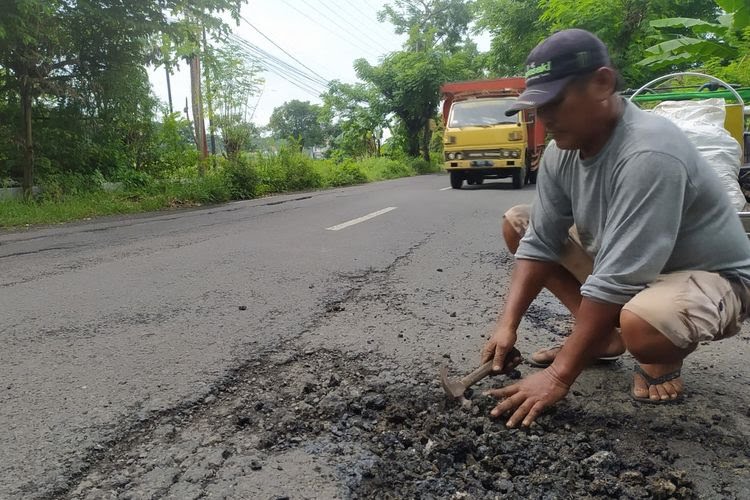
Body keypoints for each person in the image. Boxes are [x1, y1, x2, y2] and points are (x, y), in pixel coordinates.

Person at [480, 28, 750, 428]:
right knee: (519, 223)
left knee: (640, 325)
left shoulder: (649, 151)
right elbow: (539, 241)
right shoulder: (560, 152)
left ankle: (660, 351)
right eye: (538, 107)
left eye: (555, 102)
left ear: (602, 83)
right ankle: (604, 338)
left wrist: (558, 376)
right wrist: (507, 325)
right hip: (631, 266)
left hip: (710, 277)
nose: (544, 119)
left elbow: (616, 279)